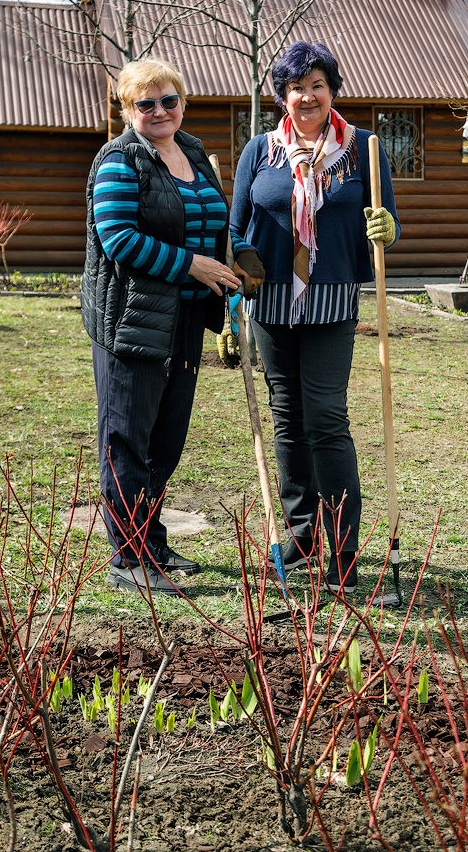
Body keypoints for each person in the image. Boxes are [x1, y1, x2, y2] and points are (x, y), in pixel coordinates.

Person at [81, 58, 264, 594]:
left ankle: (151, 540)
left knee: (167, 438)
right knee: (127, 437)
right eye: (146, 103)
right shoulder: (119, 161)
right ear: (127, 109)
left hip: (185, 317)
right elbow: (119, 240)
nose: (160, 111)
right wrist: (191, 265)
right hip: (134, 318)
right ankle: (128, 556)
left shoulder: (193, 152)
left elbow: (214, 226)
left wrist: (234, 264)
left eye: (169, 100)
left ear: (182, 103)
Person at [230, 42, 399, 594]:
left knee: (325, 418)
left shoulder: (364, 149)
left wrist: (386, 230)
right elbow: (235, 228)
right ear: (283, 95)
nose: (307, 96)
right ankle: (302, 535)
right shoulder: (260, 151)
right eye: (296, 87)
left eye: (317, 85)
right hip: (271, 303)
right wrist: (236, 280)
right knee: (287, 420)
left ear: (332, 92)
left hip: (330, 302)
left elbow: (387, 216)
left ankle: (343, 548)